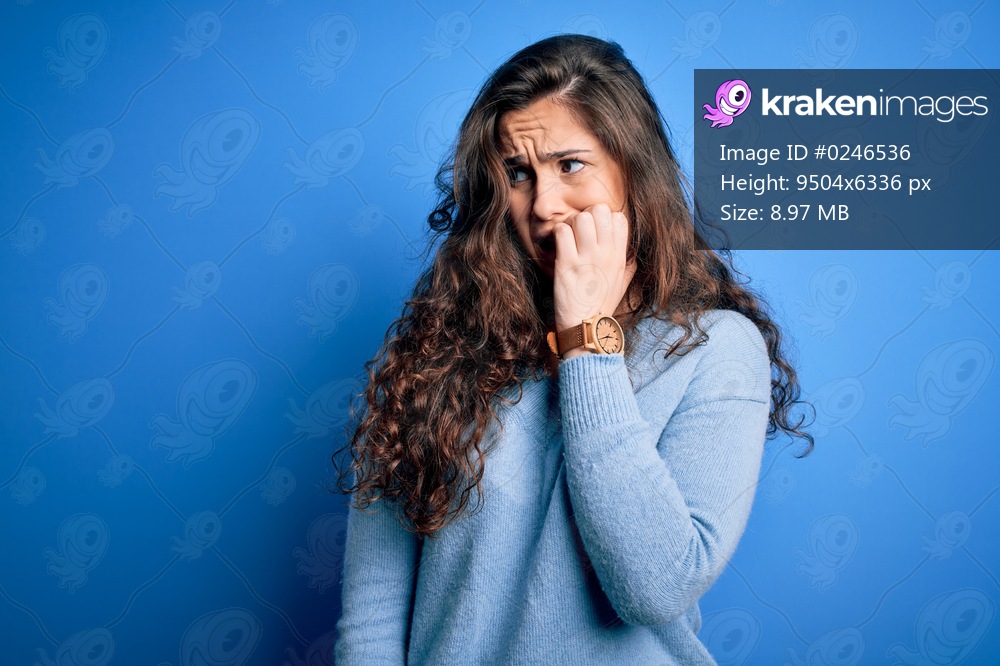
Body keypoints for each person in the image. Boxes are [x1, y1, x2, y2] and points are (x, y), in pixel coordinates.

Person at [334, 34, 811, 665]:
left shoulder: (716, 348)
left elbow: (657, 588)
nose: (544, 205)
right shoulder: (440, 347)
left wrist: (588, 340)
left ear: (634, 175)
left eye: (571, 165)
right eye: (519, 174)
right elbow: (372, 620)